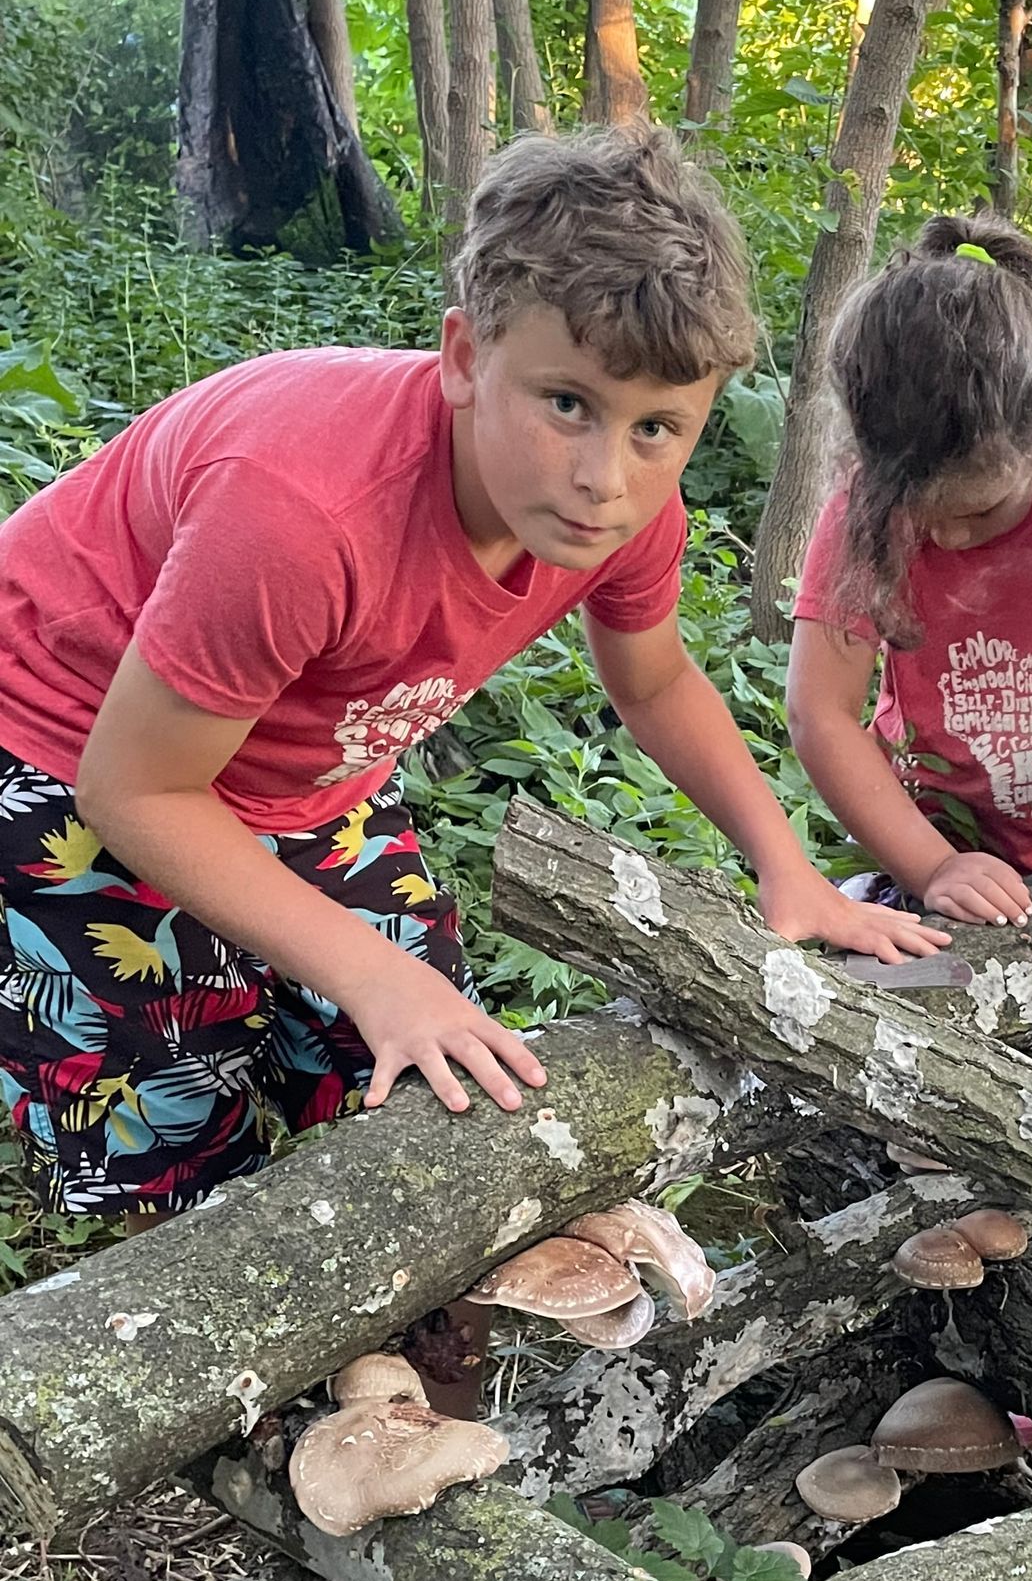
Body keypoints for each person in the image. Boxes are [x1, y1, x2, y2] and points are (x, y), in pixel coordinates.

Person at [0, 125, 941, 1219]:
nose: (604, 478)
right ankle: (188, 1298)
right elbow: (138, 789)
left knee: (424, 1066)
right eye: (567, 404)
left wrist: (789, 868)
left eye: (656, 428)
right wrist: (367, 973)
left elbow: (654, 681)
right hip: (66, 745)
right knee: (167, 1100)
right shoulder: (303, 515)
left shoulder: (631, 510)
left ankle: (394, 1346)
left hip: (309, 764)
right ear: (463, 357)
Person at [786, 215, 1032, 927]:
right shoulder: (863, 502)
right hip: (935, 829)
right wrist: (931, 864)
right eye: (919, 510)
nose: (945, 534)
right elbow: (820, 711)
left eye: (978, 514)